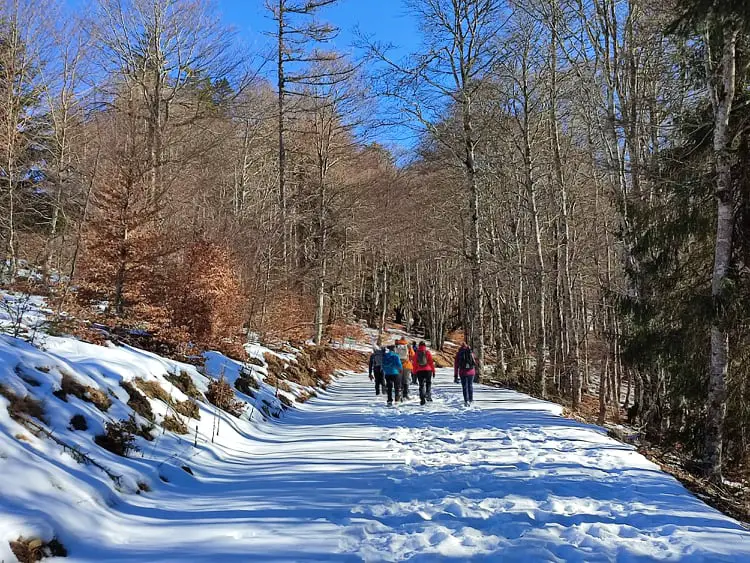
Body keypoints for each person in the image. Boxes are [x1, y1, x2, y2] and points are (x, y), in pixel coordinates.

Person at [413, 341, 435, 405]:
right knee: (428, 383)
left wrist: (414, 372)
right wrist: (433, 371)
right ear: (425, 346)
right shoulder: (427, 352)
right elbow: (431, 363)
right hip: (428, 370)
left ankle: (422, 399)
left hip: (419, 371)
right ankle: (428, 394)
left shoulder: (416, 353)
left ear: (419, 346)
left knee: (421, 385)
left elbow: (414, 364)